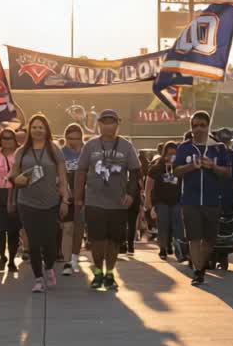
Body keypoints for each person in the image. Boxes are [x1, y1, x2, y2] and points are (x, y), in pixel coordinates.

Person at [75, 109, 141, 291]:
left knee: (113, 241)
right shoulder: (91, 145)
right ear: (99, 124)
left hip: (118, 202)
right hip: (94, 200)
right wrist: (78, 197)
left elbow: (135, 172)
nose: (108, 125)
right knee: (97, 240)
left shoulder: (126, 146)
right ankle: (97, 273)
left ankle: (110, 274)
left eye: (112, 121)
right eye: (104, 121)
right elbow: (81, 171)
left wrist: (131, 194)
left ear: (117, 124)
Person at [10, 114, 70, 293]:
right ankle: (38, 278)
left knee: (50, 242)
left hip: (50, 202)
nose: (37, 130)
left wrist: (65, 200)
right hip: (26, 202)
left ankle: (49, 267)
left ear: (46, 130)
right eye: (34, 127)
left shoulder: (53, 149)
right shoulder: (21, 151)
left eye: (41, 127)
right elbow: (13, 174)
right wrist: (16, 179)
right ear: (30, 129)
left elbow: (63, 177)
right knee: (33, 242)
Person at [174, 111, 233, 286]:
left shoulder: (218, 148)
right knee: (193, 237)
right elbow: (176, 171)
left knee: (209, 239)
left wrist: (213, 166)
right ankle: (198, 271)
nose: (198, 129)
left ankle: (201, 264)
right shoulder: (184, 147)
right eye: (195, 125)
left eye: (202, 125)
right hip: (190, 200)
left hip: (211, 200)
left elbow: (228, 173)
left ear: (208, 126)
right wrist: (192, 166)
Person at [0, 128, 22, 273]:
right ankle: (2, 256)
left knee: (13, 231)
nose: (7, 141)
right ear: (0, 140)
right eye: (4, 138)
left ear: (15, 140)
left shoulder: (20, 154)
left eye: (10, 138)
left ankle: (12, 260)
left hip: (15, 193)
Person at [146, 141, 184, 262]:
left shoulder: (180, 168)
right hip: (161, 201)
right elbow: (149, 186)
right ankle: (163, 248)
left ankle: (180, 251)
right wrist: (148, 202)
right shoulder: (156, 168)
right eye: (169, 154)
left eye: (174, 154)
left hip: (177, 201)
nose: (171, 156)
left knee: (178, 226)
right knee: (163, 225)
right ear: (164, 154)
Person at [59, 123, 86, 274]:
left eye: (76, 138)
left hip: (84, 195)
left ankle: (75, 257)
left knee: (79, 229)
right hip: (67, 194)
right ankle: (67, 262)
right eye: (69, 138)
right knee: (68, 228)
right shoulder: (61, 153)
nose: (73, 141)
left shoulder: (87, 151)